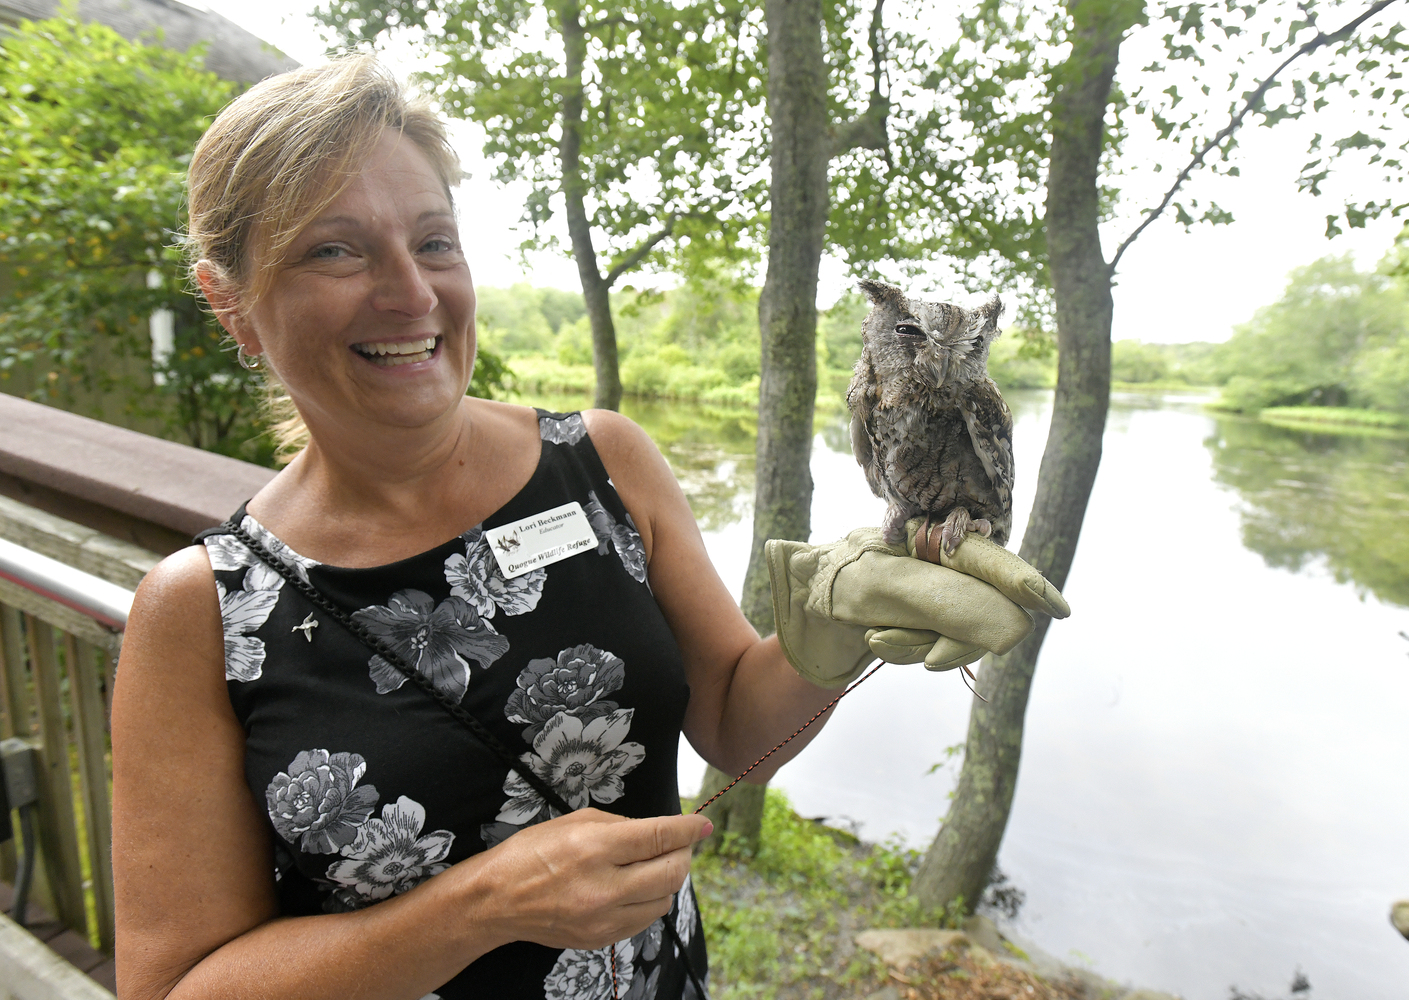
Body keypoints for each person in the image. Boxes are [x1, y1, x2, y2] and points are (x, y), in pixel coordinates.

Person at [111, 56, 1067, 1000]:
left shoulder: (606, 462)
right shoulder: (202, 613)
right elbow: (172, 988)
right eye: (335, 248)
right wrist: (478, 907)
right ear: (233, 304)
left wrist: (824, 643)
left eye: (435, 241)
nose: (410, 293)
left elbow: (736, 724)